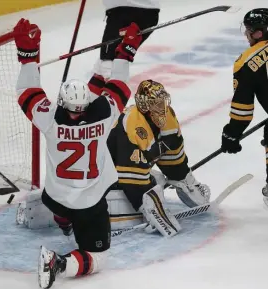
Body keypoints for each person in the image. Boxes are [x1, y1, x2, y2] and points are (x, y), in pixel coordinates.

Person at [13, 18, 141, 288]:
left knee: (58, 200)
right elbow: (119, 85)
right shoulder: (105, 115)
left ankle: (64, 222)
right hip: (89, 203)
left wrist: (28, 55)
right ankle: (57, 263)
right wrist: (125, 53)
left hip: (56, 196)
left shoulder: (49, 117)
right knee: (99, 257)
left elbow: (27, 91)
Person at [105, 80, 211, 235]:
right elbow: (130, 174)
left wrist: (180, 174)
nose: (161, 107)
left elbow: (171, 147)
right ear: (144, 105)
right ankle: (143, 208)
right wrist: (151, 207)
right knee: (152, 184)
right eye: (155, 103)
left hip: (132, 169)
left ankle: (182, 181)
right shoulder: (132, 123)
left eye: (162, 101)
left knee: (162, 171)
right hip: (112, 179)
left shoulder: (165, 115)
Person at [220, 8, 268, 206]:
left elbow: (243, 109)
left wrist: (231, 133)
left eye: (249, 30)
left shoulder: (247, 61)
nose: (247, 34)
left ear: (259, 32)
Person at [95, 0, 160, 79]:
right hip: (150, 14)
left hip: (121, 12)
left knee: (109, 62)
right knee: (120, 55)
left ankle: (111, 84)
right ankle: (104, 82)